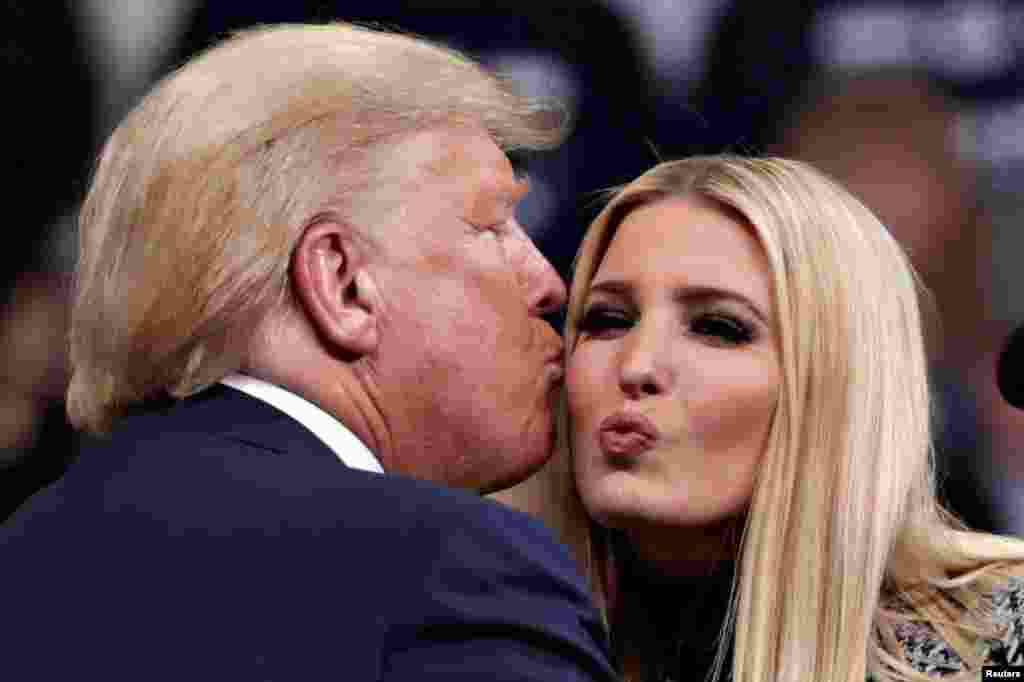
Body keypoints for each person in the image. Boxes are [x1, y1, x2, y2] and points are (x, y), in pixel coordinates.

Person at [0, 23, 616, 682]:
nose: (551, 283)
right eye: (493, 227)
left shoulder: (22, 551)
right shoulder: (450, 572)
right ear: (342, 281)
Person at [496, 156, 1024, 682]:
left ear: (837, 379)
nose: (636, 366)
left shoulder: (999, 639)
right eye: (607, 320)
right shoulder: (491, 641)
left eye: (719, 328)